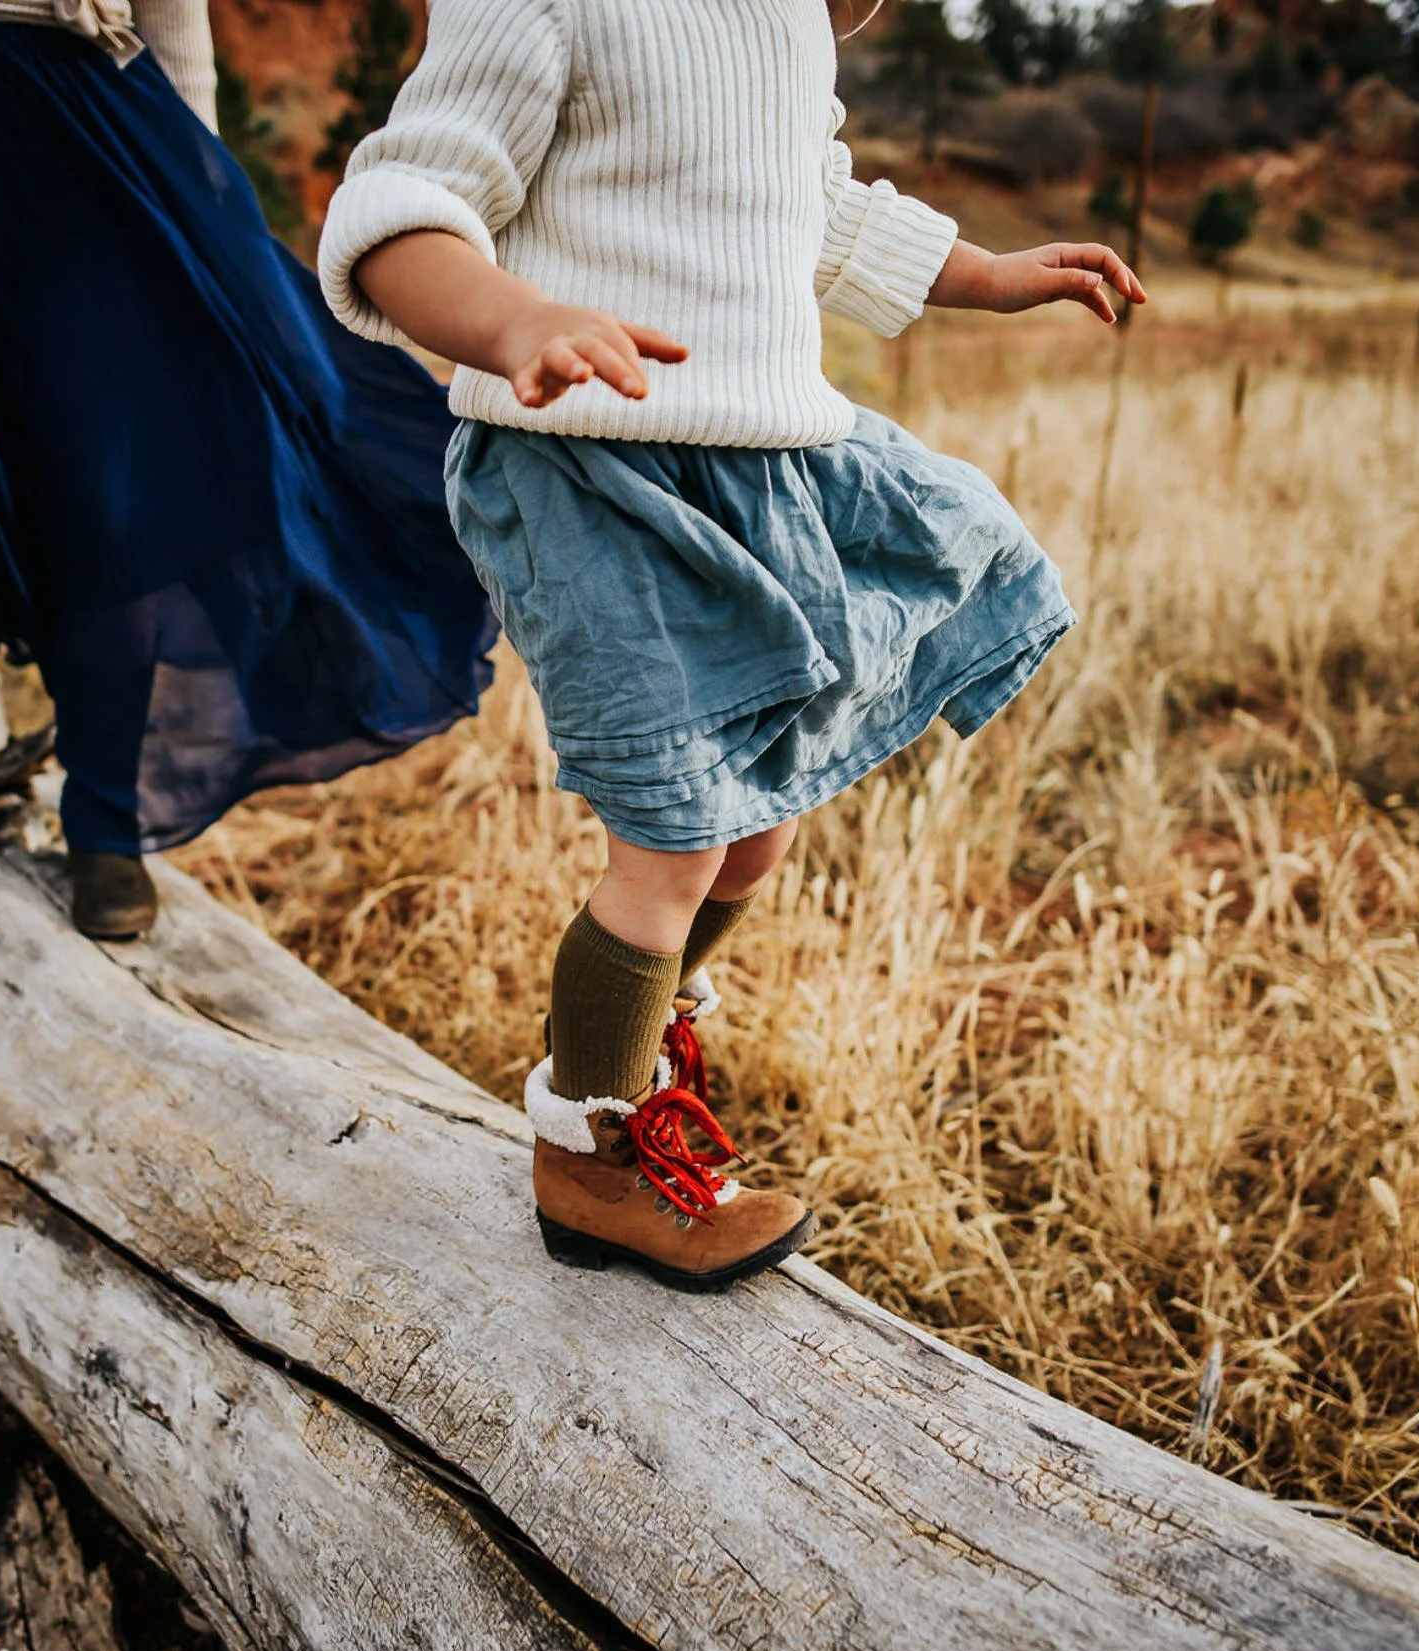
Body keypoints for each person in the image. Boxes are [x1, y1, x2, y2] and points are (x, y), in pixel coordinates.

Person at [319, 0, 1143, 1289]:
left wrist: (984, 273)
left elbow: (807, 195)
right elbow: (406, 207)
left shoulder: (783, 25)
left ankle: (626, 1052)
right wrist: (515, 321)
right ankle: (589, 1153)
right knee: (677, 832)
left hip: (763, 460)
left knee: (760, 819)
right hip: (590, 469)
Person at [0, 0, 497, 937]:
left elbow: (173, 15)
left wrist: (191, 180)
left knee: (119, 492)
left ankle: (107, 817)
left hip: (87, 116)